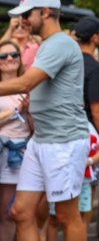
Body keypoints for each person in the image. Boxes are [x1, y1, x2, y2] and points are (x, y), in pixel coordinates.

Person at [0, 0, 90, 241]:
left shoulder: (60, 43)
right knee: (20, 211)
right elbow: (38, 85)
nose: (23, 20)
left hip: (63, 141)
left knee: (66, 215)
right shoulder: (51, 45)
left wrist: (31, 95)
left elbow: (25, 83)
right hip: (42, 140)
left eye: (27, 14)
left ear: (46, 12)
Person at [0, 40, 33, 241]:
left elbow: (35, 129)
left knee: (9, 213)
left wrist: (29, 112)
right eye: (3, 56)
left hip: (18, 156)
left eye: (14, 54)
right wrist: (15, 111)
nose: (9, 59)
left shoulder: (28, 87)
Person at [72, 16, 99, 150]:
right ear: (94, 37)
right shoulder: (94, 68)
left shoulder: (69, 61)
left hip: (67, 127)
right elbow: (97, 111)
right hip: (87, 131)